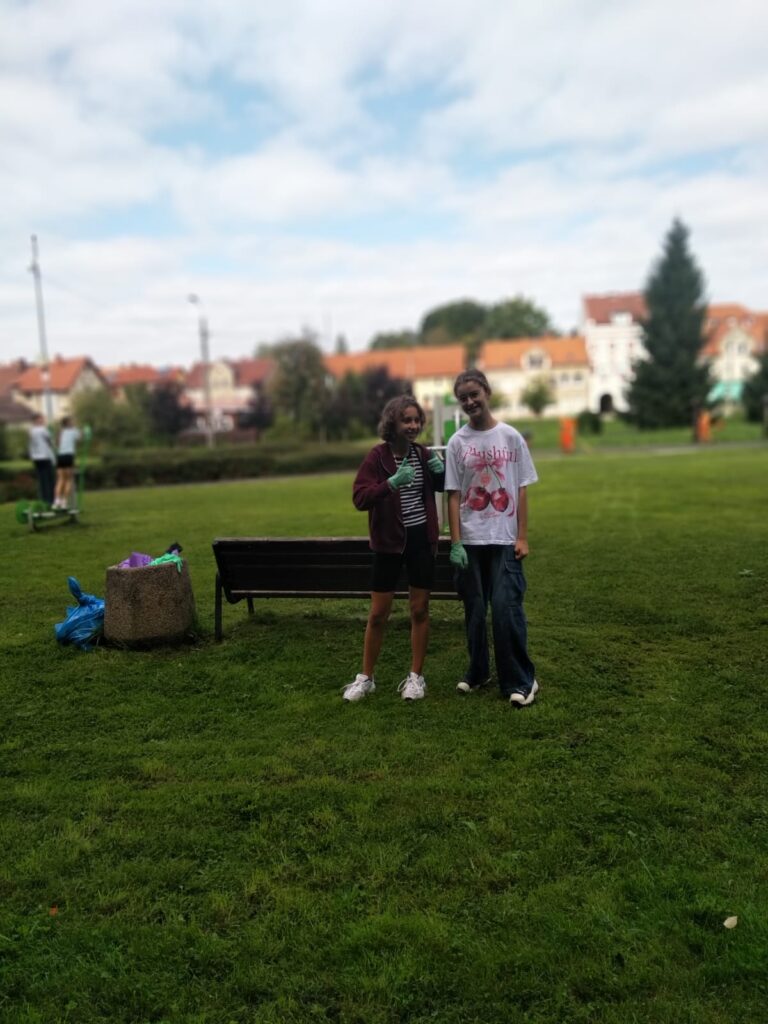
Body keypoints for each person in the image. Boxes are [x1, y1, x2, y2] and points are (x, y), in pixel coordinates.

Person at [445, 370, 539, 708]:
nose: (470, 402)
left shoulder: (511, 437)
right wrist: (456, 542)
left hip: (504, 539)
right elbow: (453, 495)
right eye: (463, 398)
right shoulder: (457, 443)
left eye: (474, 394)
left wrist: (522, 536)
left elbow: (521, 489)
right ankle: (478, 671)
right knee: (474, 610)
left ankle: (521, 680)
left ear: (487, 391)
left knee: (504, 609)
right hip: (471, 541)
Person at [345, 395, 445, 702]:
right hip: (388, 543)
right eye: (406, 420)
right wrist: (391, 483)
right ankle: (366, 678)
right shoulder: (377, 457)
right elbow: (360, 498)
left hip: (420, 540)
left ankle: (416, 677)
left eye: (416, 420)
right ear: (393, 423)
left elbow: (441, 487)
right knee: (378, 614)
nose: (413, 426)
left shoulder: (423, 453)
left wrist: (440, 472)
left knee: (419, 609)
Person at [53, 416, 81, 510]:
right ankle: (64, 502)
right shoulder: (73, 431)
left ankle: (57, 501)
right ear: (68, 423)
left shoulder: (60, 432)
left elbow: (57, 444)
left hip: (60, 456)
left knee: (60, 479)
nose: (73, 422)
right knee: (69, 479)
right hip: (69, 456)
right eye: (72, 421)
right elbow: (80, 438)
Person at [28, 413, 56, 506]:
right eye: (41, 419)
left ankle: (44, 499)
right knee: (49, 479)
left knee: (42, 479)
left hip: (36, 457)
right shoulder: (43, 430)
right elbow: (50, 442)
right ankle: (50, 500)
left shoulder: (31, 430)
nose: (43, 421)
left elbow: (31, 444)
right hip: (45, 457)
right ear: (37, 420)